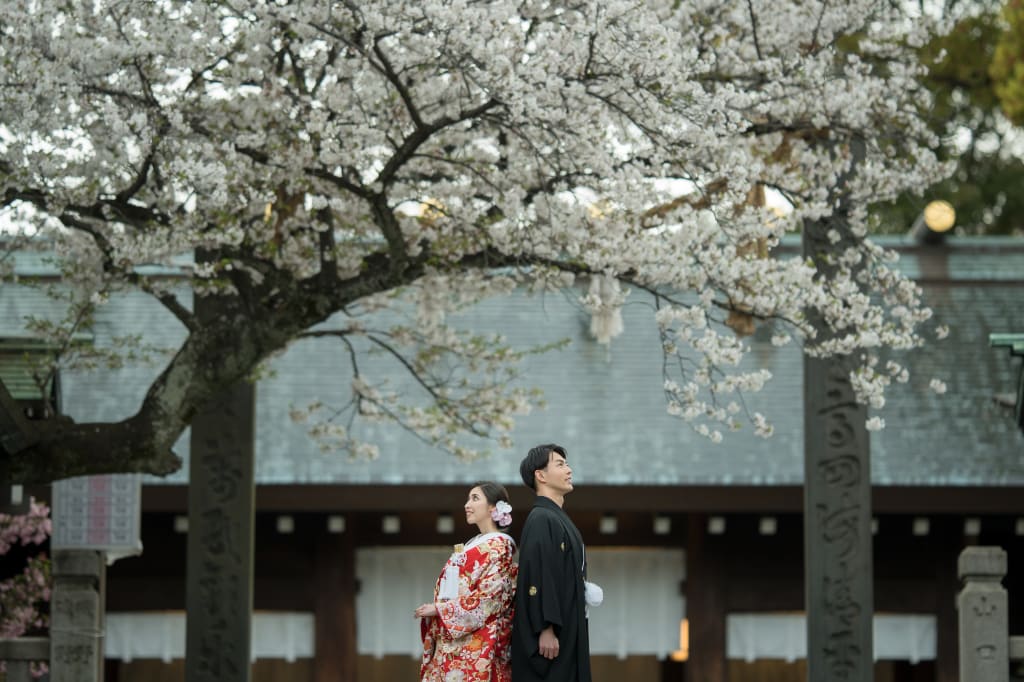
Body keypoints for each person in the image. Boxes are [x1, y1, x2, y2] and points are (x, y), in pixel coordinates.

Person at [415, 481, 518, 682]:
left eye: (475, 498)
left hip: (478, 643)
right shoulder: (476, 544)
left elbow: (491, 599)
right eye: (468, 498)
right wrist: (440, 608)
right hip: (454, 640)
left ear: (492, 507)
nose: (467, 504)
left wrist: (441, 610)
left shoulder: (499, 547)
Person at [511, 444, 594, 682]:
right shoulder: (541, 518)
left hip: (567, 622)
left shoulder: (555, 517)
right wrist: (545, 627)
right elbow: (539, 573)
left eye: (567, 464)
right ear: (541, 475)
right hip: (552, 631)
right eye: (560, 464)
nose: (569, 470)